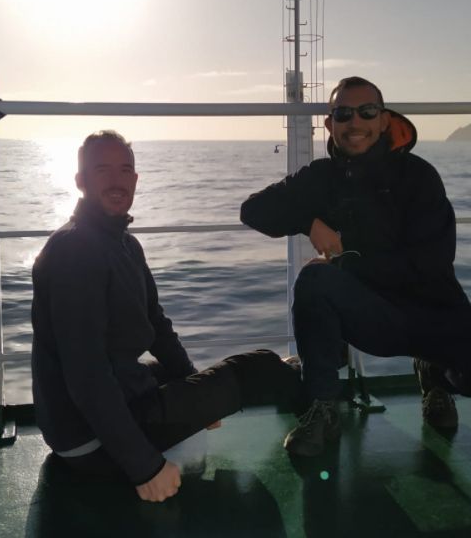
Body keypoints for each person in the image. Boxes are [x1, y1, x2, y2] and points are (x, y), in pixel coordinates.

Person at [240, 76, 471, 456]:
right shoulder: (321, 178)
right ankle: (323, 408)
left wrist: (349, 263)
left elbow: (431, 262)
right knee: (314, 279)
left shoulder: (418, 176)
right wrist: (308, 222)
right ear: (330, 124)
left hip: (436, 312)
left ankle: (438, 375)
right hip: (374, 318)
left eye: (367, 112)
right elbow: (253, 210)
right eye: (343, 113)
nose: (355, 123)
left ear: (383, 120)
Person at [31, 130, 301, 502]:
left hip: (83, 423)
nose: (116, 180)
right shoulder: (75, 252)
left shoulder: (121, 243)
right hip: (89, 443)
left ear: (136, 180)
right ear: (80, 181)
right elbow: (87, 374)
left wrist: (195, 384)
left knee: (173, 374)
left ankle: (295, 377)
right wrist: (146, 468)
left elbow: (156, 325)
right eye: (102, 170)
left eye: (125, 170)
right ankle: (318, 404)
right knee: (262, 367)